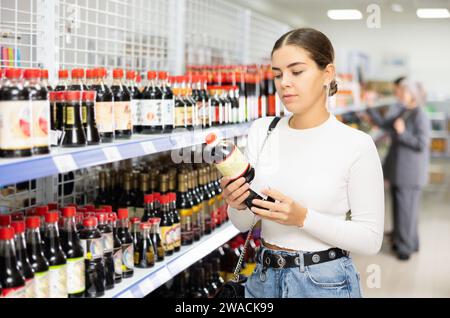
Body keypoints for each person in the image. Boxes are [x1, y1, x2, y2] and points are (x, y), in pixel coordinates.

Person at [220, 28, 384, 298]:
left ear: (327, 74)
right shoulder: (263, 131)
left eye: (296, 72)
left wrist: (303, 218)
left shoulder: (356, 144)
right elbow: (243, 223)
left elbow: (370, 240)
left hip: (323, 283)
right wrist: (236, 203)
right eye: (277, 74)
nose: (284, 82)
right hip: (263, 278)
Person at [367, 78, 431, 261]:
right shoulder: (405, 111)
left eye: (402, 91)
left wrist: (403, 133)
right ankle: (409, 242)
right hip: (399, 171)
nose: (399, 94)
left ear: (411, 93)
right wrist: (371, 107)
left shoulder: (419, 114)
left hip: (409, 173)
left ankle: (405, 249)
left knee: (406, 212)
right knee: (403, 211)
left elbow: (422, 143)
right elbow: (386, 125)